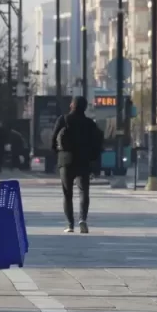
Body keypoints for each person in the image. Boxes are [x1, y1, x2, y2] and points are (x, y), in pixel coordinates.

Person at [51, 96, 102, 233]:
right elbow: (97, 143)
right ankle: (82, 220)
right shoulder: (90, 123)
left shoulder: (63, 119)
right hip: (83, 161)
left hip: (66, 161)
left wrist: (59, 153)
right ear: (84, 108)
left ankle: (69, 224)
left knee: (67, 194)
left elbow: (53, 139)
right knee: (84, 191)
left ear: (72, 105)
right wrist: (93, 159)